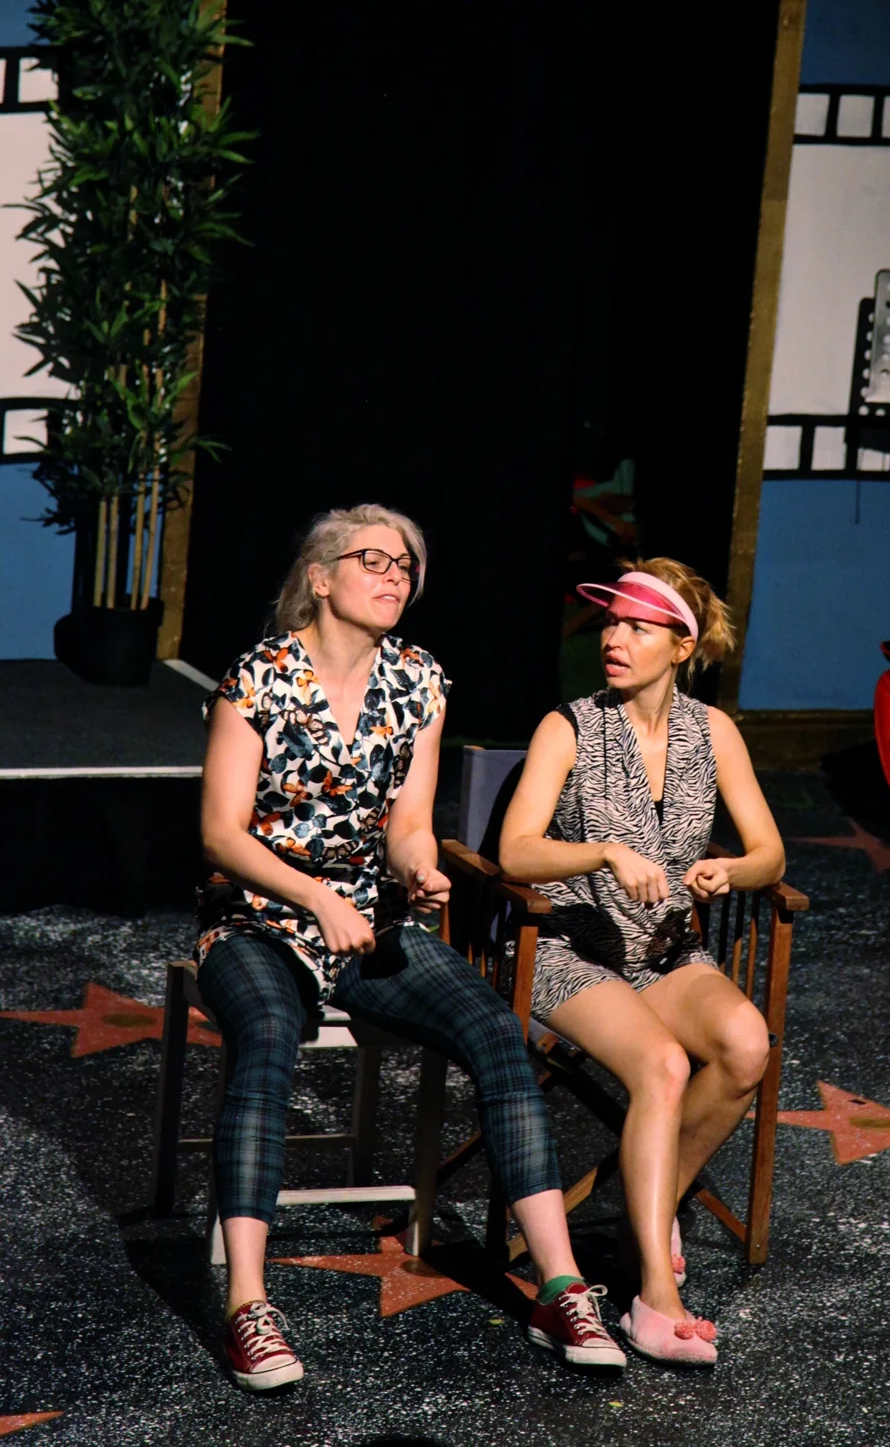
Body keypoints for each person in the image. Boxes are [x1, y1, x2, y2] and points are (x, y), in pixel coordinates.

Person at [195, 503, 624, 1391]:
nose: (394, 576)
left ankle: (560, 1287)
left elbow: (409, 826)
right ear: (320, 578)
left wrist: (420, 870)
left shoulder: (419, 681)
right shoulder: (258, 677)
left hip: (369, 922)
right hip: (256, 919)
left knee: (497, 1033)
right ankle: (247, 1305)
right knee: (267, 1040)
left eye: (406, 566)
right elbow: (221, 834)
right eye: (374, 560)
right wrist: (313, 896)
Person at [498, 557, 785, 1367]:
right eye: (610, 623)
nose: (613, 639)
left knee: (746, 1045)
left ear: (680, 645)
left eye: (636, 626)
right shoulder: (568, 726)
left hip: (664, 952)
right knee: (662, 1063)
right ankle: (654, 1294)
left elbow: (769, 851)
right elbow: (515, 851)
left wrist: (731, 871)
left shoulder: (712, 731)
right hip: (569, 950)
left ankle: (641, 1214)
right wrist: (602, 851)